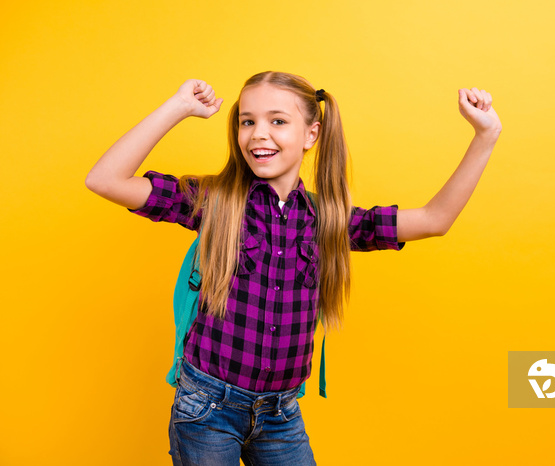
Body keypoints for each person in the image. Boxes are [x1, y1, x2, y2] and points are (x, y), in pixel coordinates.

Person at [85, 71, 502, 465]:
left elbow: (434, 220)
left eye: (277, 121)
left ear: (311, 134)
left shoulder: (329, 221)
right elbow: (105, 179)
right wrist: (177, 106)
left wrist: (486, 136)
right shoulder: (216, 202)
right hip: (206, 408)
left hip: (280, 415)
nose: (258, 134)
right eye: (246, 122)